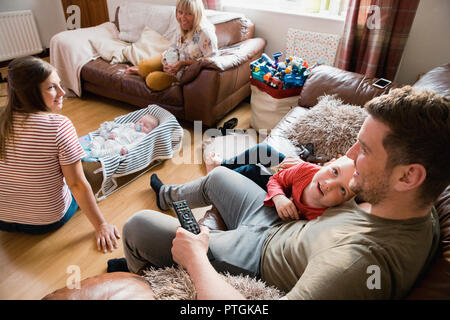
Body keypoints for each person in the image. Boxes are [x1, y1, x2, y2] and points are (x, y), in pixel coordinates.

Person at [121, 86, 449, 299]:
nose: (351, 155)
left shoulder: (356, 265)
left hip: (256, 255)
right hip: (278, 219)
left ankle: (146, 278)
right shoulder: (411, 202)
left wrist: (194, 259)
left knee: (139, 225)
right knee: (219, 176)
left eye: (365, 149)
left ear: (408, 176)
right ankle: (168, 197)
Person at [0, 56, 120, 253]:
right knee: (87, 172)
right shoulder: (58, 126)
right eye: (51, 87)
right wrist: (101, 225)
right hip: (46, 221)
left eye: (60, 85)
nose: (63, 92)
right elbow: (76, 185)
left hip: (3, 220)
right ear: (30, 92)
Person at [202, 143, 354, 221]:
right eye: (334, 171)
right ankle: (223, 165)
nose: (329, 185)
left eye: (342, 189)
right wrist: (302, 165)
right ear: (330, 163)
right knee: (263, 150)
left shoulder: (323, 215)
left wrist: (279, 197)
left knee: (252, 170)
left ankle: (218, 178)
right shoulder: (315, 171)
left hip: (282, 192)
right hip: (291, 175)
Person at [125, 0, 218, 91]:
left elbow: (211, 61)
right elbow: (174, 47)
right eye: (180, 12)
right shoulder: (182, 26)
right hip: (173, 62)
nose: (182, 18)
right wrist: (166, 62)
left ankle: (154, 74)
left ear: (197, 14)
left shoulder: (205, 33)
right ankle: (143, 71)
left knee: (152, 80)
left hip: (182, 73)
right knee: (143, 66)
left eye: (189, 13)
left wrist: (183, 64)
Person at [85, 114, 159, 158]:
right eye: (140, 121)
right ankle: (94, 147)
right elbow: (119, 128)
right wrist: (114, 133)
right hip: (112, 139)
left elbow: (135, 144)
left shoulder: (142, 136)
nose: (141, 124)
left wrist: (126, 149)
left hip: (119, 146)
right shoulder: (131, 125)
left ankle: (99, 153)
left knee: (117, 150)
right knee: (100, 138)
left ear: (150, 131)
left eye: (145, 126)